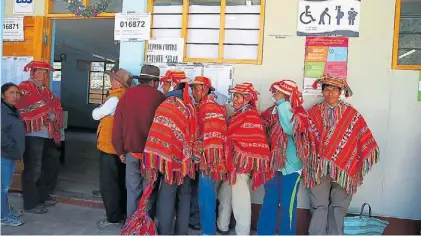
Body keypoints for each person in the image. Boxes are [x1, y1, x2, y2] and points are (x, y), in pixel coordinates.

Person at [306, 75, 379, 235]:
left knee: (339, 207)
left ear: (340, 91)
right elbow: (304, 136)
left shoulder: (352, 114)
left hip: (345, 167)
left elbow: (363, 136)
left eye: (334, 89)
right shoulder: (313, 113)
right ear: (322, 91)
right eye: (326, 89)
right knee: (319, 206)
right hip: (319, 166)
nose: (330, 93)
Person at [143, 70, 196, 235]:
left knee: (166, 198)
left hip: (170, 164)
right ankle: (181, 233)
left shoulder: (167, 106)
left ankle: (164, 232)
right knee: (185, 198)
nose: (162, 86)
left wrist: (152, 159)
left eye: (165, 83)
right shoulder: (190, 106)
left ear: (172, 84)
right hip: (187, 163)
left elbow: (157, 134)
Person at [258, 80, 311, 235]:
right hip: (273, 165)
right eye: (274, 92)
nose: (274, 94)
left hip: (291, 168)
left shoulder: (299, 113)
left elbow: (289, 128)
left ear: (288, 95)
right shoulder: (270, 112)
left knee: (288, 205)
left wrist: (282, 103)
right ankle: (264, 233)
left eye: (278, 92)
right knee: (269, 202)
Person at [112, 65, 165, 219]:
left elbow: (117, 127)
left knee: (133, 191)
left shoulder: (126, 96)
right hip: (152, 157)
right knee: (149, 192)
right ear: (154, 82)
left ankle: (132, 227)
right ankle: (145, 227)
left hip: (132, 154)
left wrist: (120, 151)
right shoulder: (160, 98)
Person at [219, 82, 271, 235]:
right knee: (225, 195)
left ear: (247, 99)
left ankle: (242, 232)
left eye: (238, 96)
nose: (234, 99)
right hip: (231, 165)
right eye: (234, 96)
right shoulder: (238, 114)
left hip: (241, 167)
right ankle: (222, 226)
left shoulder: (250, 115)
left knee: (240, 201)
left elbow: (252, 141)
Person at [16, 61, 63, 214]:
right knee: (33, 169)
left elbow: (57, 105)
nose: (43, 76)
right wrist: (47, 109)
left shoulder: (45, 90)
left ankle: (42, 197)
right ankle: (30, 203)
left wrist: (50, 109)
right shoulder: (24, 87)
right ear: (32, 73)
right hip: (33, 134)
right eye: (39, 73)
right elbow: (24, 107)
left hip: (48, 134)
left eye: (45, 73)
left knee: (47, 168)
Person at [92, 69, 132, 229]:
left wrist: (98, 110)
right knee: (120, 182)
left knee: (109, 184)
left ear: (118, 82)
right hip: (120, 147)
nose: (111, 81)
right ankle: (121, 213)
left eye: (113, 79)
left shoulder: (115, 98)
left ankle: (113, 218)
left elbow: (96, 115)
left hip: (109, 147)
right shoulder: (126, 95)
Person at [189, 76, 228, 235]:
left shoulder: (208, 106)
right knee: (205, 195)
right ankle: (207, 229)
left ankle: (208, 231)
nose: (194, 92)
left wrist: (205, 157)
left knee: (206, 197)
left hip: (210, 160)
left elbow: (214, 134)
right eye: (193, 89)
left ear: (205, 89)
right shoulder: (205, 105)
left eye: (197, 88)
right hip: (208, 159)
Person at [1, 83, 25, 227]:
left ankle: (5, 211)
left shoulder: (12, 109)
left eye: (17, 93)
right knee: (2, 188)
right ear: (3, 95)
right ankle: (2, 217)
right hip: (4, 154)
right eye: (11, 92)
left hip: (11, 154)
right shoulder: (2, 111)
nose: (15, 95)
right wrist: (11, 146)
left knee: (5, 187)